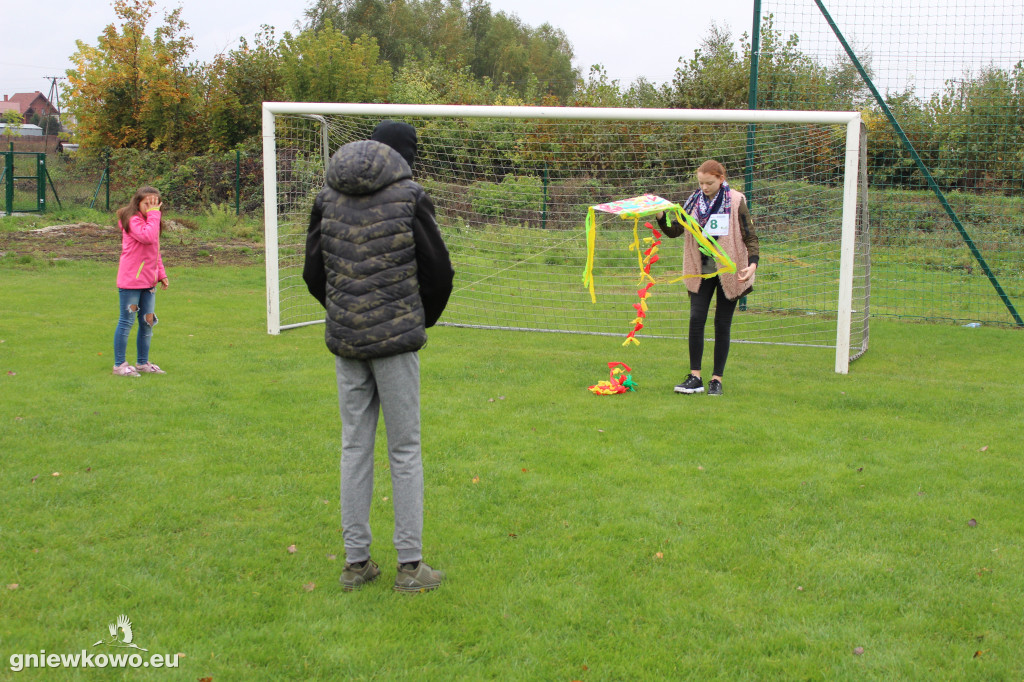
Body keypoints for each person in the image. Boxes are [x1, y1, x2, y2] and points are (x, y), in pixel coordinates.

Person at [303, 120, 454, 593]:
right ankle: (410, 567)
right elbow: (439, 271)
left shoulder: (327, 196)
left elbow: (313, 271)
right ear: (405, 155)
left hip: (347, 341)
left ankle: (356, 563)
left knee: (355, 446)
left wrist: (346, 313)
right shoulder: (410, 195)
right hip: (396, 342)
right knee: (404, 449)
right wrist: (413, 320)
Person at [661, 160, 759, 396]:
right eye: (701, 182)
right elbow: (675, 231)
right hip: (703, 266)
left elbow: (750, 236)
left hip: (729, 267)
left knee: (722, 323)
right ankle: (695, 377)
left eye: (709, 183)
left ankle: (717, 379)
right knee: (696, 319)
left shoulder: (736, 201)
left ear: (721, 179)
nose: (704, 187)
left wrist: (752, 264)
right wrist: (661, 217)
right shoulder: (693, 202)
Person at [112, 186, 169, 377]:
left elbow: (154, 249)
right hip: (131, 283)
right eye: (147, 204)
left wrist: (161, 273)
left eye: (155, 204)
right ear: (138, 203)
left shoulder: (152, 221)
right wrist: (155, 215)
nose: (151, 208)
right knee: (126, 322)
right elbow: (147, 237)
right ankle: (119, 365)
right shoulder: (132, 220)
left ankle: (143, 363)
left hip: (149, 283)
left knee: (147, 321)